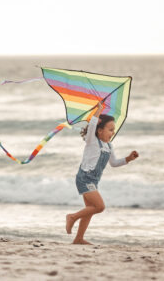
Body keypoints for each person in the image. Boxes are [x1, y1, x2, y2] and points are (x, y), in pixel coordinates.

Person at [65, 102, 139, 244]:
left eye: (114, 130)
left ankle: (79, 239)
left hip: (93, 181)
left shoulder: (109, 146)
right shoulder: (91, 140)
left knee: (90, 209)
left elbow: (114, 163)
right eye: (110, 129)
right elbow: (92, 126)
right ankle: (72, 217)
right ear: (99, 130)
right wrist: (97, 111)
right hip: (84, 178)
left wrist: (129, 158)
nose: (113, 133)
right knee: (99, 207)